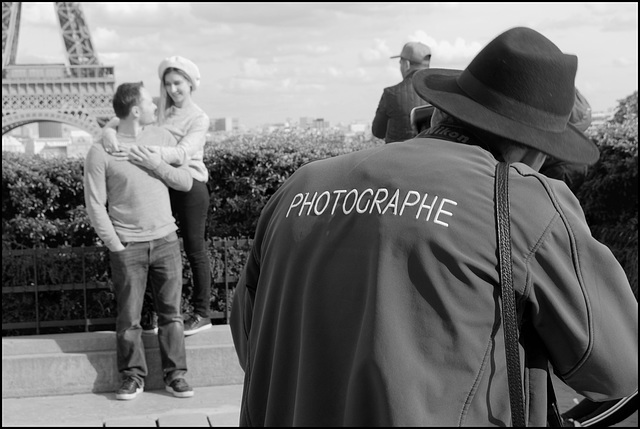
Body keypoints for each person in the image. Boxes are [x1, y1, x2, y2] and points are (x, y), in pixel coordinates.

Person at [230, 27, 638, 426]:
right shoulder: (520, 199)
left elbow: (251, 339)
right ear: (534, 146)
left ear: (449, 109)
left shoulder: (301, 185)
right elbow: (619, 366)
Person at [84, 82, 195, 400]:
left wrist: (155, 164)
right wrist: (115, 245)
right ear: (135, 110)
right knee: (129, 318)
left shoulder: (161, 138)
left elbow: (185, 181)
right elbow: (95, 204)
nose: (154, 104)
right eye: (149, 101)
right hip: (128, 245)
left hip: (165, 240)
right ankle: (132, 377)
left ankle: (176, 375)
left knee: (172, 313)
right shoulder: (101, 150)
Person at [102, 56, 213, 337]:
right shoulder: (161, 111)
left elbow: (183, 153)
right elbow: (126, 115)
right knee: (157, 248)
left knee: (194, 249)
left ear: (190, 83)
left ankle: (202, 313)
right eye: (168, 84)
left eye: (178, 83)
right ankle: (157, 314)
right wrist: (108, 130)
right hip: (162, 182)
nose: (173, 89)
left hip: (190, 186)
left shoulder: (199, 117)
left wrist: (145, 152)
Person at [372, 41, 432, 143]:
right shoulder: (438, 93)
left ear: (406, 64)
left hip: (397, 156)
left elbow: (378, 131)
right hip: (432, 155)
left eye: (400, 62)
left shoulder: (391, 93)